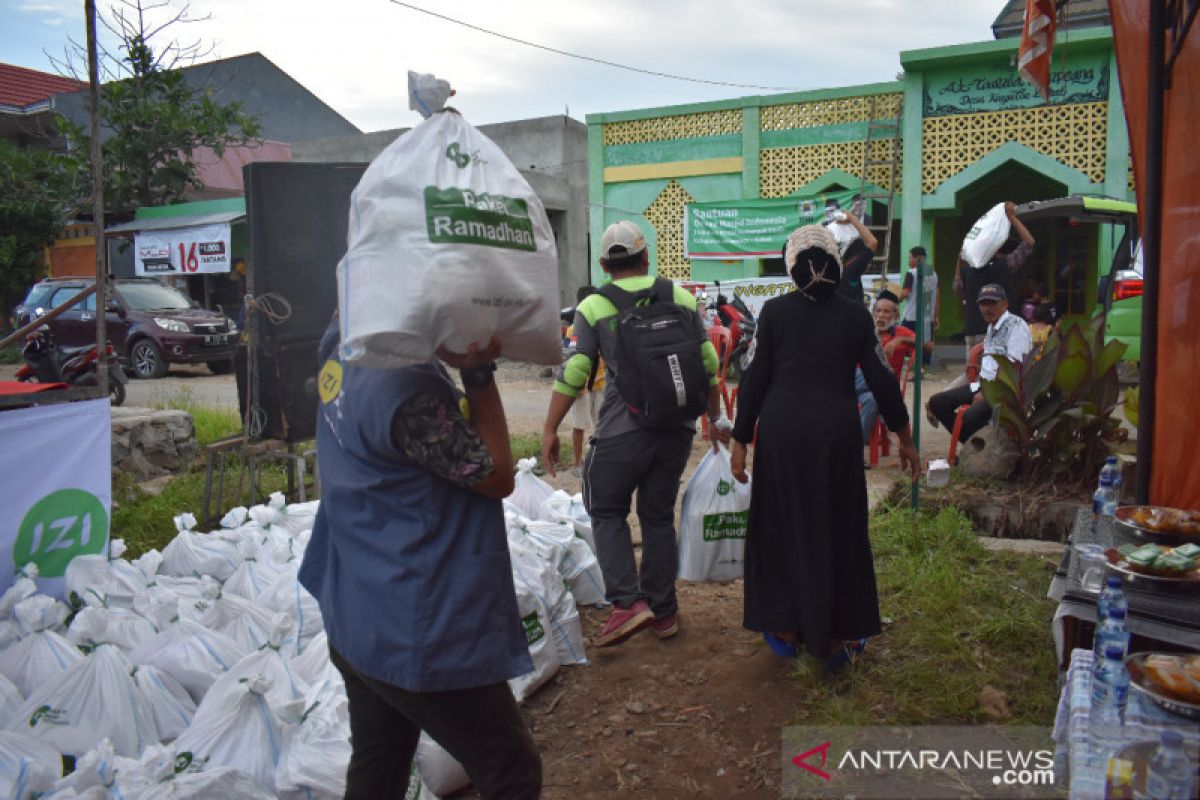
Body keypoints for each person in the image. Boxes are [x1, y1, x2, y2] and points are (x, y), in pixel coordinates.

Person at [299, 317, 541, 799]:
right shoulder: (408, 392)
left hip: (355, 605)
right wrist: (477, 373)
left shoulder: (345, 339)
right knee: (510, 768)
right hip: (413, 626)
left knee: (379, 761)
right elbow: (494, 473)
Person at [729, 224, 919, 671]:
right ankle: (834, 638)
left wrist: (741, 441)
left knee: (782, 527)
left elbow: (753, 380)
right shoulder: (854, 314)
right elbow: (881, 378)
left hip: (781, 435)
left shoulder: (773, 313)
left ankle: (786, 628)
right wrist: (904, 437)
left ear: (791, 265)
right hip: (835, 435)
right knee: (837, 529)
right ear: (835, 261)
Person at [541, 221, 727, 647]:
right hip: (675, 429)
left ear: (605, 265)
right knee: (658, 515)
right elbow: (709, 361)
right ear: (647, 258)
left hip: (622, 431)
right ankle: (664, 612)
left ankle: (627, 602)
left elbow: (577, 369)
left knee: (605, 508)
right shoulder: (680, 295)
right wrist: (714, 420)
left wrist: (551, 427)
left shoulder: (592, 308)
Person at [927, 284, 1033, 444]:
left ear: (1005, 304)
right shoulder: (992, 327)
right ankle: (973, 446)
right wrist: (981, 388)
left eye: (992, 303)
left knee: (970, 417)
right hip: (981, 385)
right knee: (937, 403)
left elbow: (1014, 367)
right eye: (983, 304)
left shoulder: (1016, 326)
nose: (987, 308)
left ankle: (980, 448)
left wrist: (987, 393)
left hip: (1005, 390)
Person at [953, 201, 1035, 359]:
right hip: (1001, 330)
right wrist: (1012, 218)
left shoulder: (968, 270)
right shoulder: (1004, 265)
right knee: (997, 376)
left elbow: (957, 288)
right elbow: (1029, 243)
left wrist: (960, 260)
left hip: (973, 331)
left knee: (975, 376)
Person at [857, 289, 915, 452]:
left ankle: (855, 449)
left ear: (895, 316)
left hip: (882, 389)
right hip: (856, 382)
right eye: (878, 311)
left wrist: (901, 340)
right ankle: (893, 433)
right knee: (871, 374)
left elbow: (928, 346)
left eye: (887, 312)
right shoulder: (864, 330)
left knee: (873, 399)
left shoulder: (900, 333)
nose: (881, 315)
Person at [564, 285, 605, 475]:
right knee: (579, 424)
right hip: (581, 385)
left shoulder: (601, 325)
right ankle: (577, 463)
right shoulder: (574, 329)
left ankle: (600, 459)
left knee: (602, 423)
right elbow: (569, 359)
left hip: (600, 382)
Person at [899, 246, 939, 366]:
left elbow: (905, 293)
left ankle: (913, 372)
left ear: (918, 258)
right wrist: (936, 317)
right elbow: (937, 297)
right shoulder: (934, 274)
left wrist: (893, 298)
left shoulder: (911, 273)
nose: (909, 261)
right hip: (928, 318)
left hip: (912, 317)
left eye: (910, 258)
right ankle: (923, 371)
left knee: (909, 346)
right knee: (926, 348)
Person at [831, 206, 878, 304]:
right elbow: (872, 242)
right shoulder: (852, 270)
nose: (868, 265)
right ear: (856, 256)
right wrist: (853, 219)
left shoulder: (833, 271)